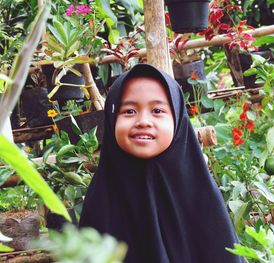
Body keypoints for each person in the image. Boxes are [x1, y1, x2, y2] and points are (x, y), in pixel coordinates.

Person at [79, 63, 243, 263]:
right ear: (112, 119)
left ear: (177, 118)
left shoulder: (201, 198)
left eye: (157, 110)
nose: (143, 121)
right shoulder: (101, 203)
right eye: (129, 111)